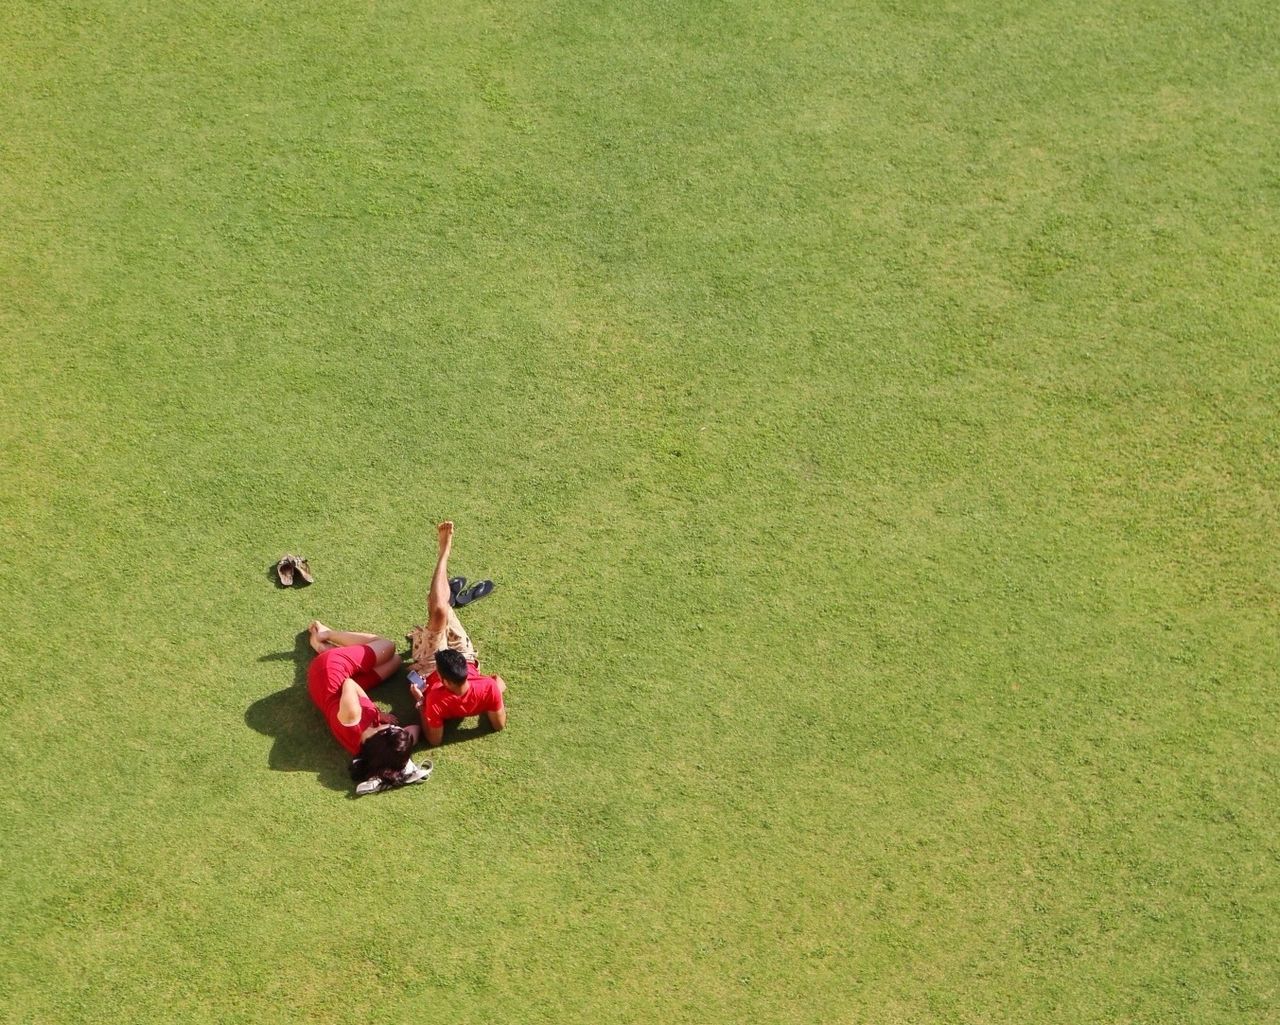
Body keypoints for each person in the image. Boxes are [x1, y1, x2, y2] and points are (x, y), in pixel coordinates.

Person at [407, 521, 508, 747]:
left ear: (443, 680)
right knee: (442, 607)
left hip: (430, 664)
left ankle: (444, 554)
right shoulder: (488, 688)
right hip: (465, 654)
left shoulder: (434, 700)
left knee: (439, 610)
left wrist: (420, 703)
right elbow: (499, 725)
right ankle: (448, 593)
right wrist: (496, 692)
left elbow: (434, 740)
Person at [306, 622, 422, 783]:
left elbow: (349, 684)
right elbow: (414, 730)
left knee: (387, 647)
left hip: (328, 672)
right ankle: (322, 648)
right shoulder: (370, 749)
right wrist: (401, 755)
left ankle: (326, 635)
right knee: (395, 661)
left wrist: (376, 710)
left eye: (393, 729)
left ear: (383, 736)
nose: (396, 726)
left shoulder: (352, 716)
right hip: (343, 693)